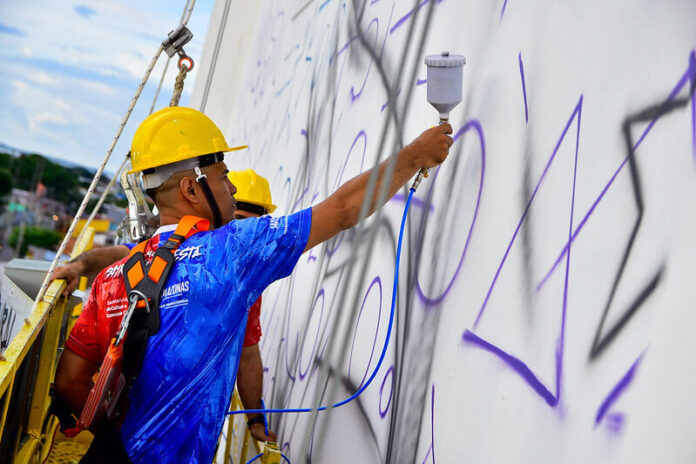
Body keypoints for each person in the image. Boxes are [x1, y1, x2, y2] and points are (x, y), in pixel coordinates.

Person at [54, 106, 452, 463]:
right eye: (223, 176)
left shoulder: (112, 279)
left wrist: (118, 438)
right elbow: (344, 210)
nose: (231, 188)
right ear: (192, 189)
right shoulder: (236, 251)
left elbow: (71, 381)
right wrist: (416, 155)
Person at [51, 169, 281, 443]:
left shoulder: (242, 280)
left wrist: (255, 420)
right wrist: (80, 265)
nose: (242, 233)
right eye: (239, 221)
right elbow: (124, 254)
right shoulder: (175, 252)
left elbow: (248, 353)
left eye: (252, 226)